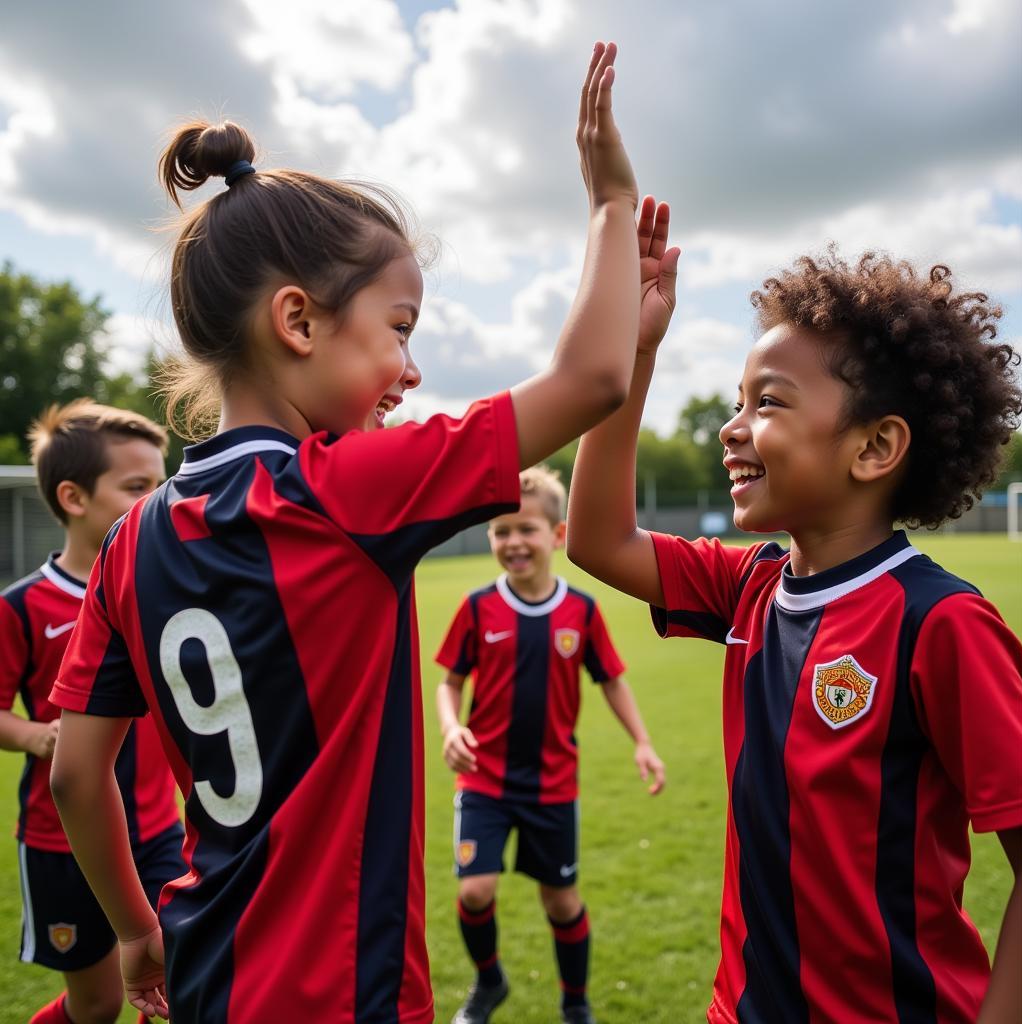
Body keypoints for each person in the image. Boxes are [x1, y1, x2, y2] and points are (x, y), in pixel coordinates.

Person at [46, 42, 651, 1023]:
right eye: (400, 327)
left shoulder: (128, 543)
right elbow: (593, 380)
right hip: (344, 993)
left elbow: (79, 774)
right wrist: (611, 202)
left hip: (204, 975)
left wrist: (135, 929)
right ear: (298, 320)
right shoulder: (344, 490)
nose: (409, 369)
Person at [567, 237, 1022, 1023]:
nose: (732, 428)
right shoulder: (749, 585)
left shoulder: (940, 624)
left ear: (875, 447)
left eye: (767, 403)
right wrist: (637, 348)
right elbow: (597, 540)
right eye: (738, 401)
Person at [436, 464, 665, 1024]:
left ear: (557, 535)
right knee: (474, 892)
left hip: (552, 785)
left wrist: (642, 742)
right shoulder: (476, 607)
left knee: (560, 901)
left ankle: (576, 1002)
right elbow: (450, 681)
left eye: (526, 529)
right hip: (484, 779)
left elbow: (611, 678)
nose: (513, 542)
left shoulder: (580, 611)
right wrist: (450, 726)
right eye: (501, 531)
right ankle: (489, 983)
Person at [0, 400, 184, 1024]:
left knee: (188, 980)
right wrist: (35, 736)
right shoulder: (21, 607)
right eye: (137, 487)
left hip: (161, 830)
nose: (156, 499)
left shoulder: (169, 589)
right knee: (100, 1003)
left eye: (161, 484)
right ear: (73, 497)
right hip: (62, 841)